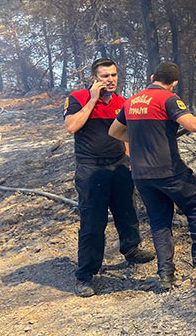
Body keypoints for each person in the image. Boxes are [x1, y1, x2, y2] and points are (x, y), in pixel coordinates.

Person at [108, 61, 196, 291]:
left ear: (153, 75)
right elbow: (193, 125)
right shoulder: (168, 99)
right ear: (174, 83)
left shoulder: (132, 101)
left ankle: (165, 275)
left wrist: (140, 141)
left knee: (159, 221)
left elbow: (114, 131)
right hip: (169, 171)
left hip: (142, 175)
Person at [64, 58, 155, 298]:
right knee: (93, 223)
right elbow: (71, 126)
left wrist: (131, 162)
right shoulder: (77, 98)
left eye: (113, 75)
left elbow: (125, 136)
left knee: (127, 212)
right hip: (90, 169)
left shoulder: (122, 102)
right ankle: (85, 275)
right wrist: (93, 99)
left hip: (118, 166)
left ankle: (131, 248)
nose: (111, 79)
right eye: (105, 76)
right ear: (95, 78)